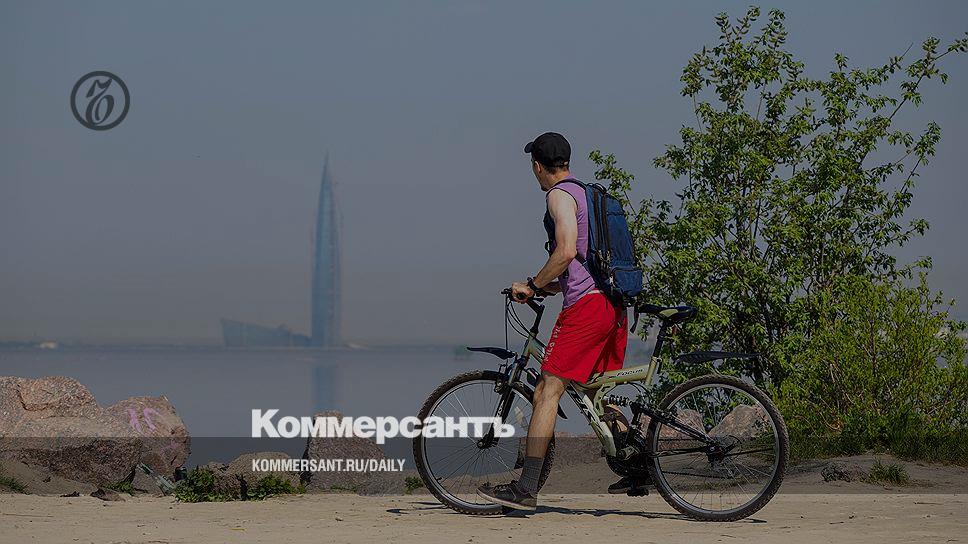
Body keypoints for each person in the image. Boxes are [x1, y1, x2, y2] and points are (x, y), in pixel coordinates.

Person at [477, 132, 634, 511]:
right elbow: (582, 261)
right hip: (613, 305)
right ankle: (637, 464)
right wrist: (547, 287)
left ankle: (526, 488)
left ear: (537, 166)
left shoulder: (559, 196)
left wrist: (532, 285)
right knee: (595, 392)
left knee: (547, 390)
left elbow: (564, 251)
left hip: (587, 308)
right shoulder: (587, 194)